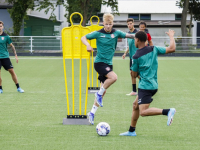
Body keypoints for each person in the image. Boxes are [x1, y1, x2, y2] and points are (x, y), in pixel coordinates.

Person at [81, 13, 136, 125]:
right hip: (99, 63)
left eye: (110, 24)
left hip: (108, 64)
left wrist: (140, 35)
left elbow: (130, 35)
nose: (108, 26)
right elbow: (83, 37)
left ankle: (91, 113)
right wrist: (87, 45)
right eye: (106, 24)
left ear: (112, 24)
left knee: (103, 90)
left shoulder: (116, 33)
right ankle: (98, 93)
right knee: (114, 77)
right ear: (103, 24)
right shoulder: (98, 33)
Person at [119, 29, 176, 136]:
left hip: (145, 87)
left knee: (143, 112)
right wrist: (171, 36)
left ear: (137, 40)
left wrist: (135, 72)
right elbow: (172, 48)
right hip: (154, 85)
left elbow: (134, 74)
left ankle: (168, 111)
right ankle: (131, 131)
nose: (134, 41)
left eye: (134, 39)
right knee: (135, 105)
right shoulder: (153, 48)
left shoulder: (136, 56)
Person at [0, 21, 24, 93]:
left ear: (3, 27)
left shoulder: (6, 36)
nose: (0, 27)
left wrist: (15, 55)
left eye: (1, 26)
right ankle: (0, 89)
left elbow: (12, 46)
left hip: (5, 57)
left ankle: (18, 87)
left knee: (12, 71)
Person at [122, 18, 138, 96]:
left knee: (136, 74)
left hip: (138, 57)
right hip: (131, 57)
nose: (129, 25)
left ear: (133, 23)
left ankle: (148, 87)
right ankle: (134, 91)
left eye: (131, 23)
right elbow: (129, 45)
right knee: (132, 73)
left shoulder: (137, 33)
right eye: (128, 24)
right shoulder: (128, 34)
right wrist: (125, 53)